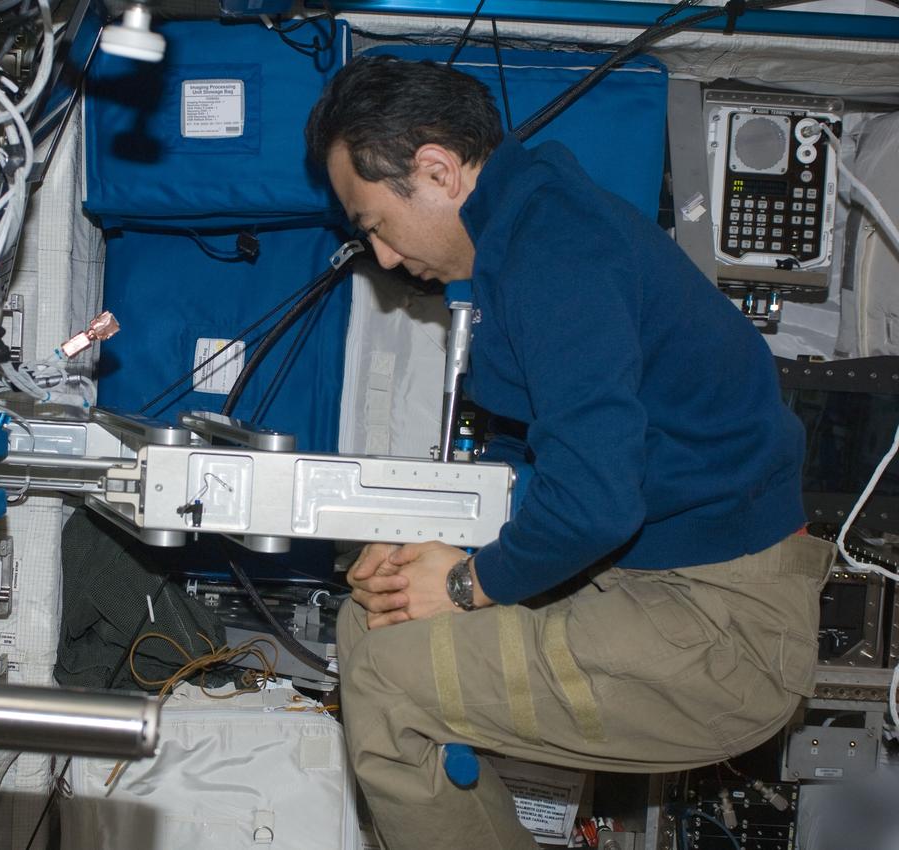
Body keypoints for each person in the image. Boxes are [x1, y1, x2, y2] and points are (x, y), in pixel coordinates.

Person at [305, 56, 834, 849]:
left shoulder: (555, 248)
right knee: (371, 619)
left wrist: (463, 580)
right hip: (659, 585)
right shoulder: (531, 230)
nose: (381, 258)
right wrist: (419, 546)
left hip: (726, 633)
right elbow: (556, 475)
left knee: (385, 674)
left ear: (439, 170)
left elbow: (595, 501)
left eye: (374, 225)